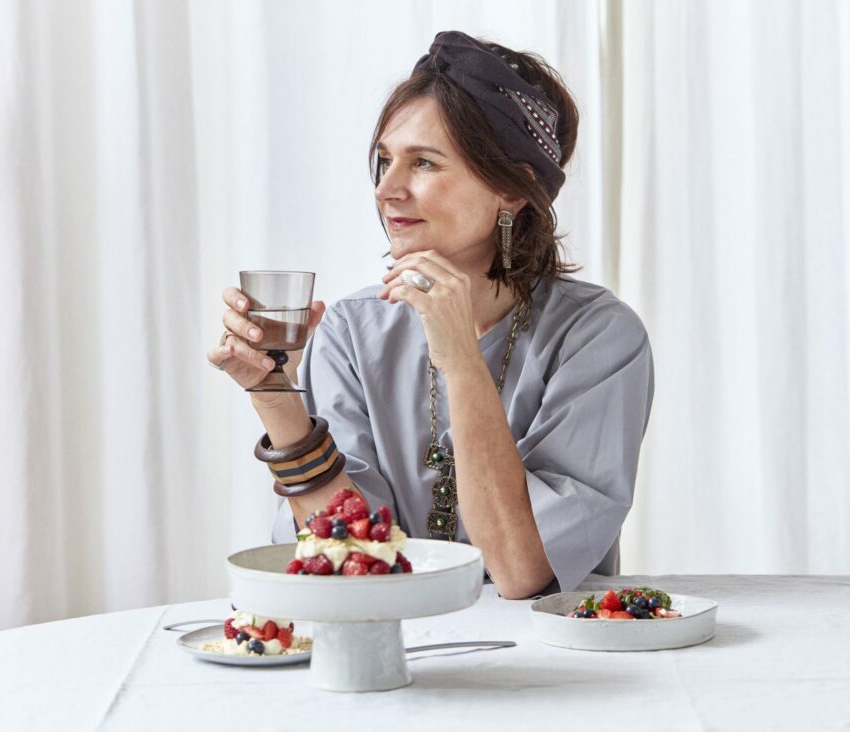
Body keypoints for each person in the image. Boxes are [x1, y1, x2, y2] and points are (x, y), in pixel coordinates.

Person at [207, 31, 654, 599]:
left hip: (551, 666)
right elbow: (351, 560)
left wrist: (460, 359)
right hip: (395, 654)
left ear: (513, 189)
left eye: (424, 163)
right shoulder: (352, 331)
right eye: (386, 161)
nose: (386, 190)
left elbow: (523, 573)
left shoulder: (598, 339)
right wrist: (274, 395)